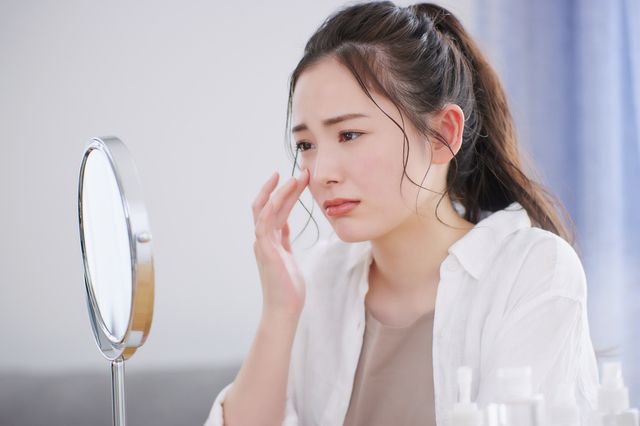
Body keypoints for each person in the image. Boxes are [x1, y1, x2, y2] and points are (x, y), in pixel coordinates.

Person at [204, 1, 600, 425]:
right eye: (306, 144)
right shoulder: (322, 279)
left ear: (442, 135)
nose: (320, 173)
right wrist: (280, 311)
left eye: (349, 134)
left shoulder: (531, 272)